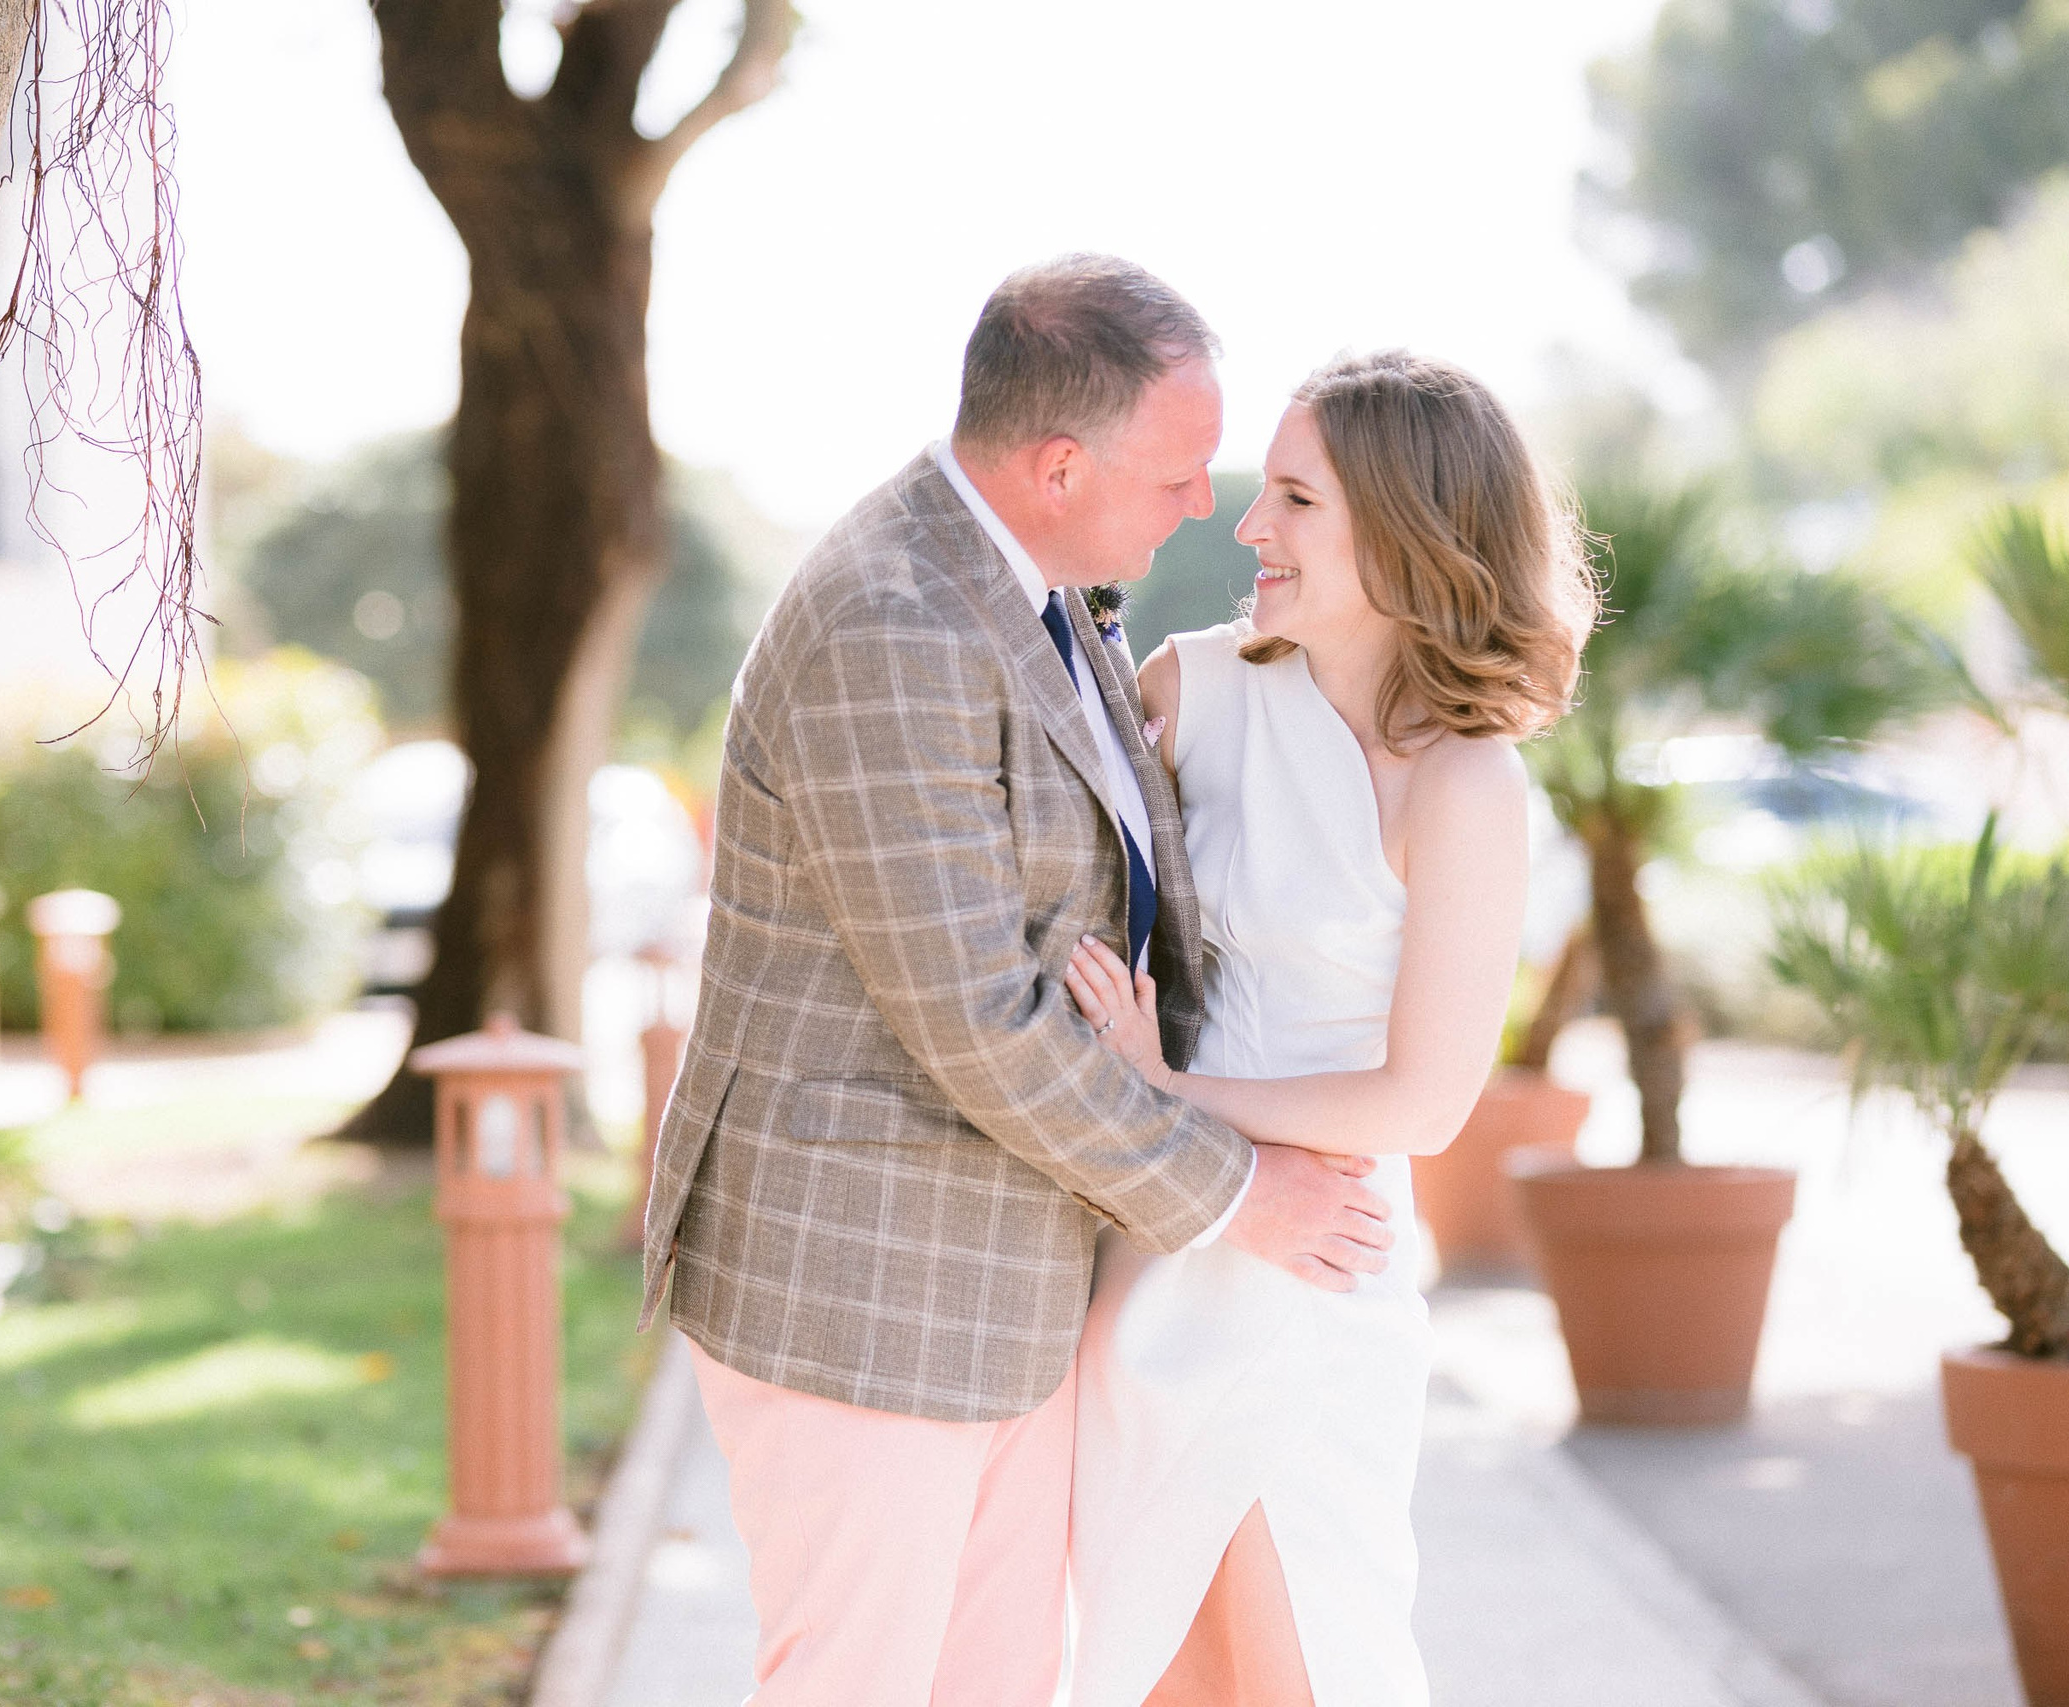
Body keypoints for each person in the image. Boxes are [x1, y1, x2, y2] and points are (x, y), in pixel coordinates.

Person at [636, 256, 1396, 1707]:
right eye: (1177, 473)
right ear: (1059, 463)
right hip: (858, 1289)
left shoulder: (1043, 590)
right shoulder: (890, 619)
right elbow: (974, 1016)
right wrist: (1240, 1192)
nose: (1202, 506)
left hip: (1007, 1287)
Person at [1060, 349, 1596, 1707]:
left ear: (1404, 529)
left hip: (1320, 1269)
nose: (1249, 524)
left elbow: (1420, 1105)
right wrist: (1149, 1103)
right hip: (1160, 1248)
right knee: (1156, 1666)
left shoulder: (1467, 784)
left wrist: (1167, 1082)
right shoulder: (1191, 692)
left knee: (1312, 1664)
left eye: (1293, 499)